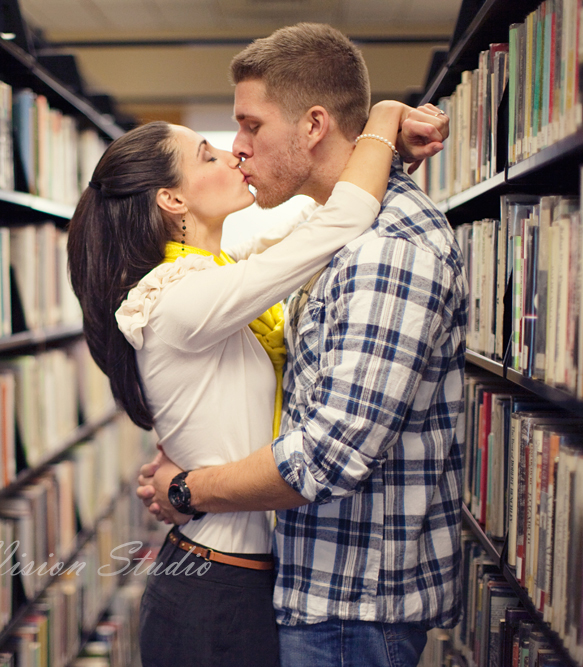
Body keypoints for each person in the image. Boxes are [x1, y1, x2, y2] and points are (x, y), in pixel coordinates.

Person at [68, 73, 447, 663]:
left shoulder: (214, 278)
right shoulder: (177, 298)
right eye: (208, 152)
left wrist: (386, 157)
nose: (233, 152)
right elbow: (339, 223)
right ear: (172, 199)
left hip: (233, 575)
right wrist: (383, 118)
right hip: (215, 586)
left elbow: (324, 227)